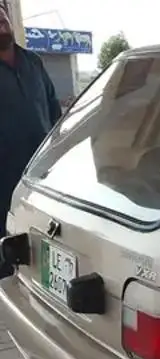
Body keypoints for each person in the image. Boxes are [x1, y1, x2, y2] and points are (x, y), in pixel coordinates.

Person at [0, 6, 62, 255]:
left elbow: (54, 112)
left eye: (2, 12)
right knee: (8, 254)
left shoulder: (33, 62)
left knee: (40, 248)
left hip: (41, 179)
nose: (1, 19)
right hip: (4, 185)